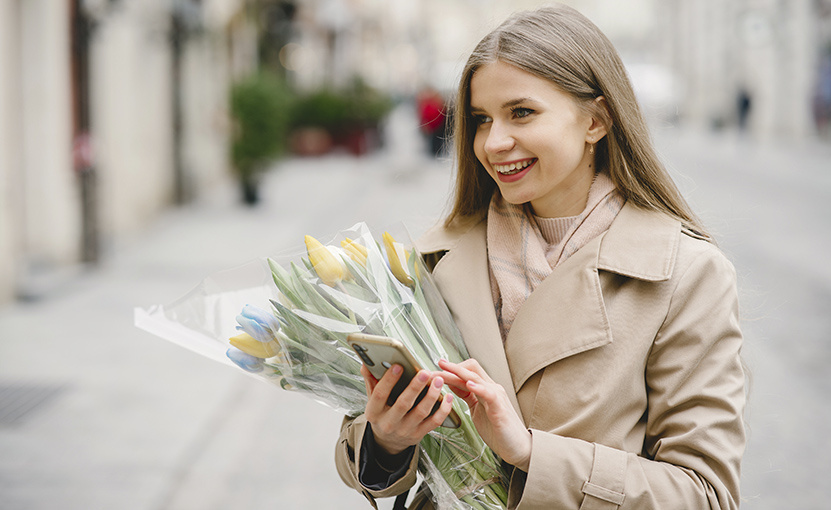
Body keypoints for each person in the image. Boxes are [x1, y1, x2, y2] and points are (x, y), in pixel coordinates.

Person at [335, 5, 746, 509]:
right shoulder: (434, 259)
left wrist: (533, 455)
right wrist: (389, 441)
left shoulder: (684, 273)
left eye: (521, 112)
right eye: (482, 119)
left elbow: (705, 496)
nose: (494, 142)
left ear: (596, 119)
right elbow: (366, 461)